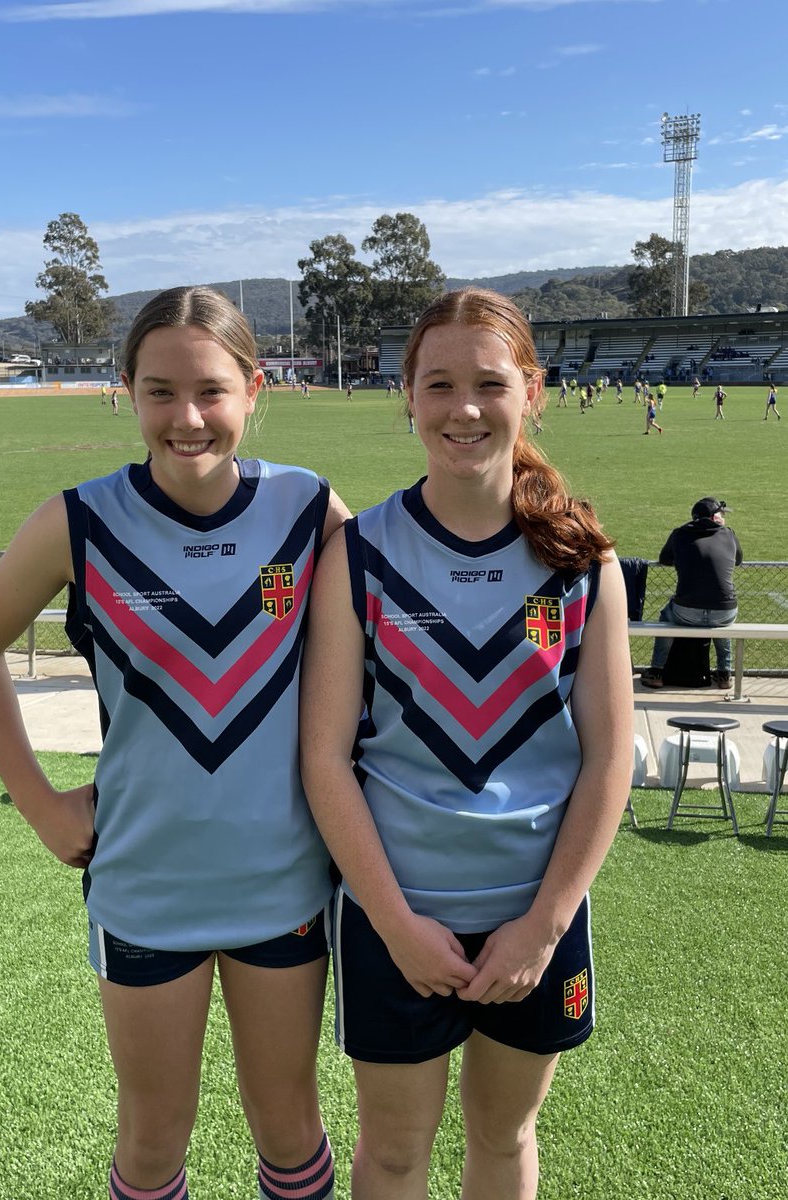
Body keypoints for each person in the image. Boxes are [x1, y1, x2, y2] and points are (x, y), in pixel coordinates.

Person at [0, 287, 348, 1200]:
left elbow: (400, 614)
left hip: (281, 878)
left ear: (255, 388)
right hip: (143, 882)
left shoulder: (307, 508)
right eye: (160, 391)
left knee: (289, 1126)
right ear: (124, 388)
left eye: (211, 391)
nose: (188, 418)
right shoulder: (78, 522)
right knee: (153, 1135)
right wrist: (41, 803)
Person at [300, 287, 633, 1200]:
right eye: (438, 383)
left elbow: (610, 759)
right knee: (396, 1154)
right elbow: (324, 757)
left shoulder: (582, 559)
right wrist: (397, 924)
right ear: (406, 393)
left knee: (506, 1138)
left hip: (537, 924)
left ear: (532, 389)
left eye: (490, 383)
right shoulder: (358, 553)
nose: (464, 408)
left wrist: (544, 925)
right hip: (395, 918)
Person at [641, 497, 742, 690]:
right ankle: (724, 673)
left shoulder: (679, 534)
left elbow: (665, 559)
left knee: (665, 616)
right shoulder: (728, 534)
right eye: (721, 514)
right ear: (714, 517)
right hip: (725, 611)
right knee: (722, 622)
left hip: (686, 611)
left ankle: (656, 671)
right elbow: (738, 560)